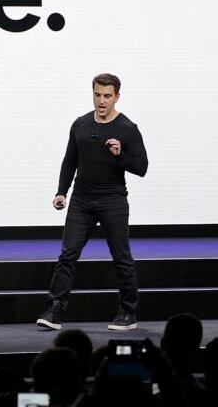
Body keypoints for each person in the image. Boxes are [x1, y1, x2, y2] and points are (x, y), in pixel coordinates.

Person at [37, 73, 148, 332]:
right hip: (82, 201)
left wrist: (120, 155)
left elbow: (141, 167)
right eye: (97, 95)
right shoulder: (81, 124)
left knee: (122, 258)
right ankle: (55, 310)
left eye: (107, 96)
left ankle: (128, 313)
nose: (101, 100)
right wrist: (61, 192)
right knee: (68, 255)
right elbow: (70, 161)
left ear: (117, 97)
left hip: (113, 200)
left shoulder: (127, 128)